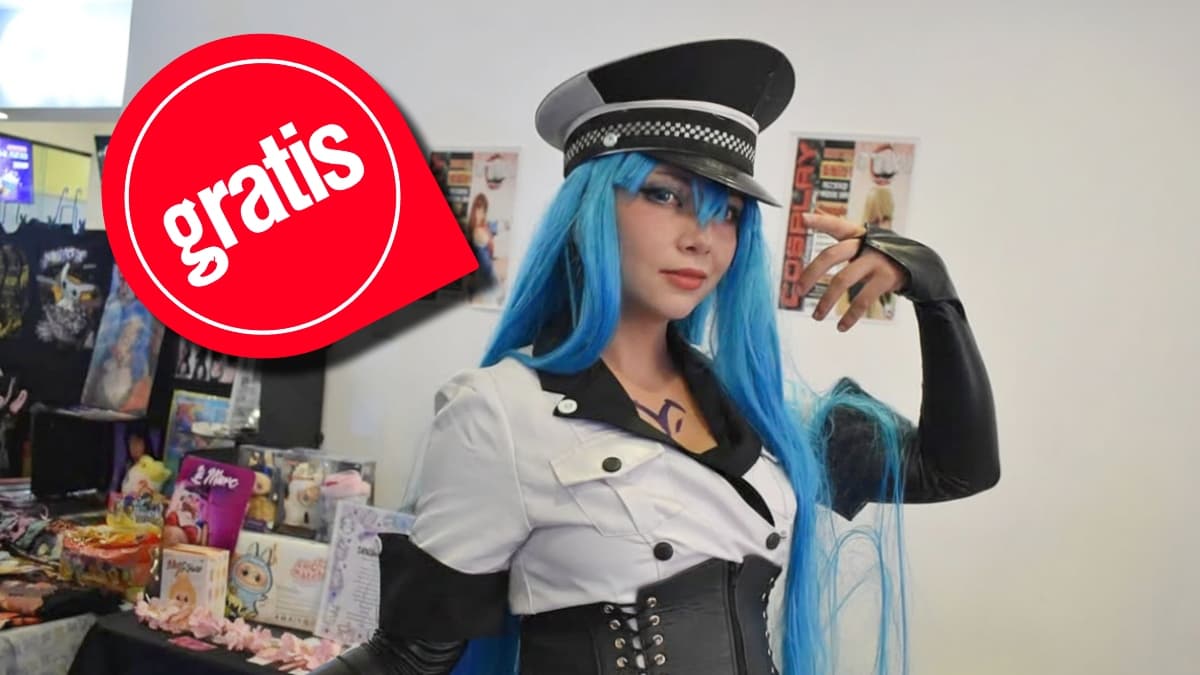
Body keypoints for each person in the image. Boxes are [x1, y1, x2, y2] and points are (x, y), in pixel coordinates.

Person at [313, 38, 999, 675]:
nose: (702, 236)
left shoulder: (761, 414)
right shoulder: (498, 412)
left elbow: (954, 469)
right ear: (589, 209)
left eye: (727, 212)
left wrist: (935, 294)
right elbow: (409, 656)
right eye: (665, 195)